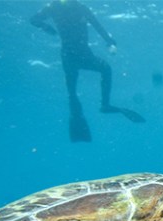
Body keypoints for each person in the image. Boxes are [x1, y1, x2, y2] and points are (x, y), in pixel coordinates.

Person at [31, 0, 144, 142]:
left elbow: (34, 20)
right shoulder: (76, 7)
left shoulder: (54, 7)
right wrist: (110, 42)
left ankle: (88, 112)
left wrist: (46, 27)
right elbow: (98, 26)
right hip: (81, 54)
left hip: (69, 55)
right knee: (104, 70)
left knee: (72, 91)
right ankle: (104, 105)